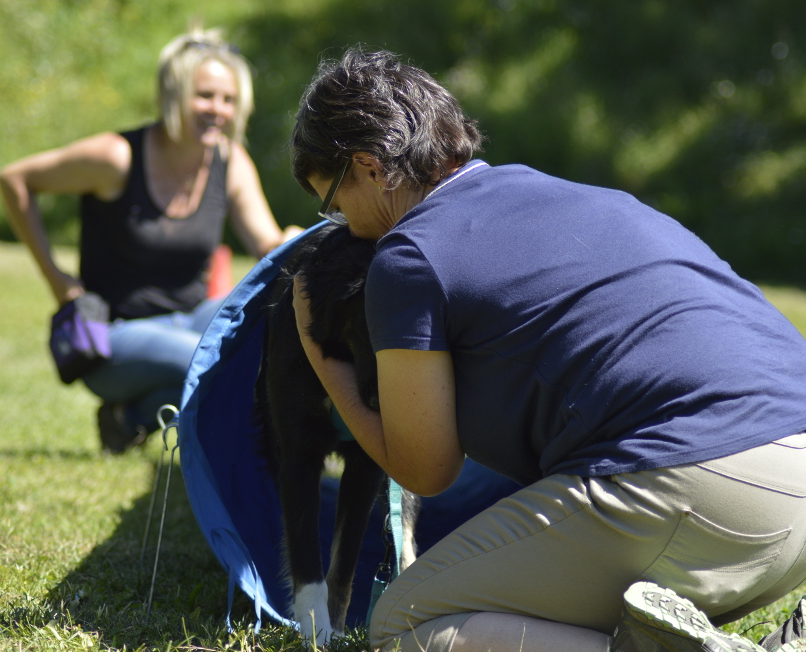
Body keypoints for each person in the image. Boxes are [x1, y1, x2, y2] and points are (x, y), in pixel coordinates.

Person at [288, 48, 806, 652]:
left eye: (331, 201)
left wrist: (319, 349)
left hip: (700, 488)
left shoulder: (411, 255)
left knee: (404, 622)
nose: (344, 226)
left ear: (370, 168)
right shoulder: (566, 192)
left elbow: (426, 469)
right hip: (794, 493)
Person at [0, 28, 302, 453]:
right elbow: (15, 180)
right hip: (114, 337)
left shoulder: (229, 161)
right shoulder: (116, 157)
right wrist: (56, 278)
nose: (218, 110)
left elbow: (266, 243)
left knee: (265, 328)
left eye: (228, 99)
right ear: (172, 95)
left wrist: (297, 239)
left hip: (193, 319)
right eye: (205, 96)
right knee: (214, 362)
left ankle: (131, 419)